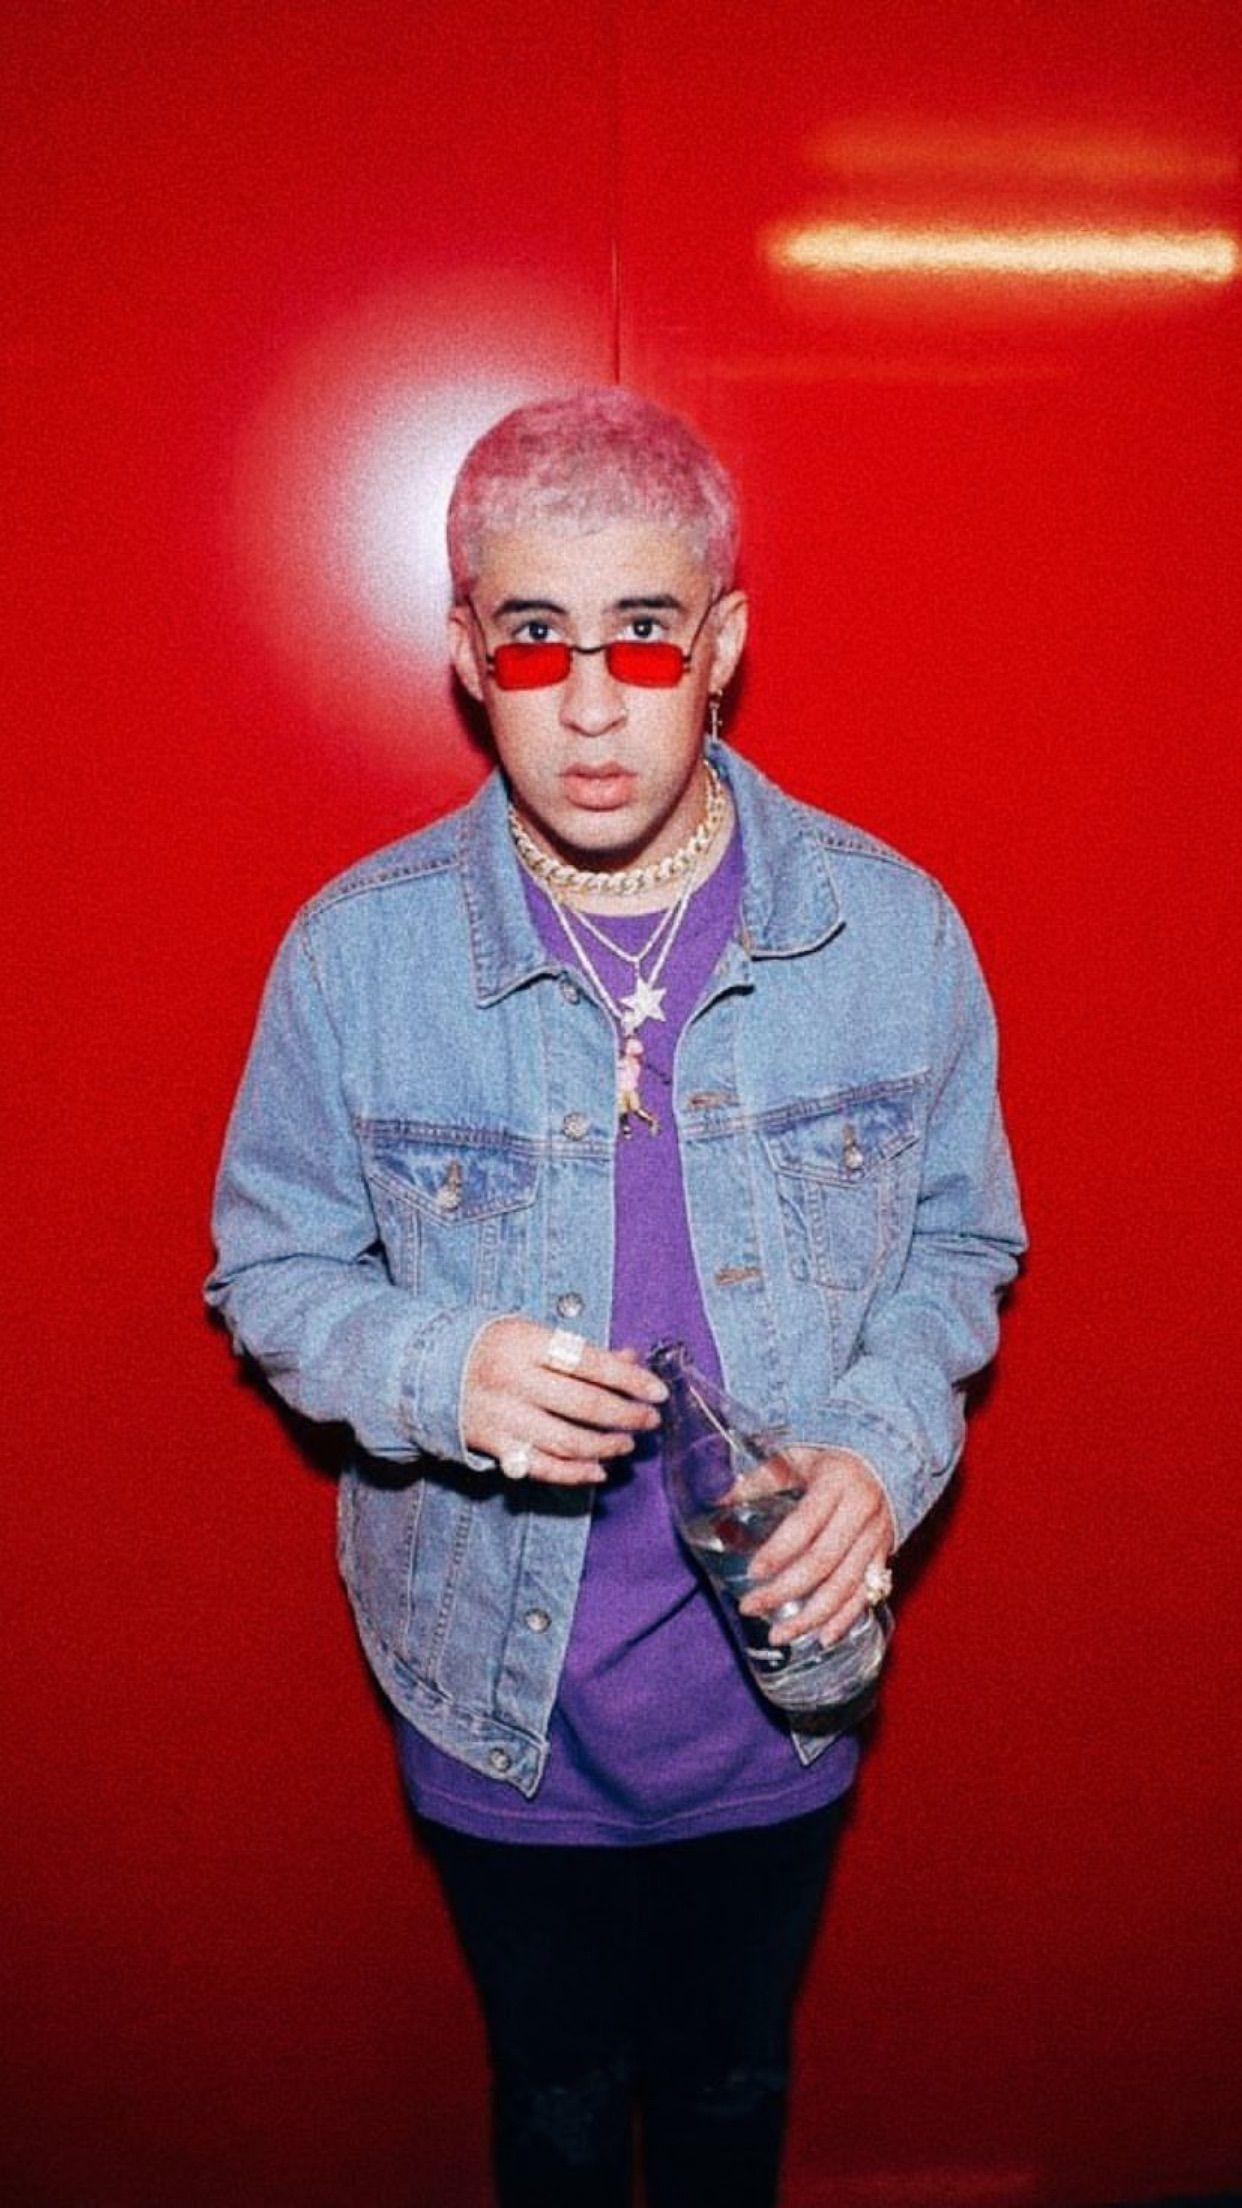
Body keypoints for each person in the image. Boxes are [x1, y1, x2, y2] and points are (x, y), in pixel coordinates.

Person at [206, 387, 1025, 2208]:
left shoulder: (889, 932)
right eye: (535, 639)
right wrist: (433, 1366)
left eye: (643, 635)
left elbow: (962, 1246)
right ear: (464, 654)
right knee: (558, 2113)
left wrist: (879, 1452)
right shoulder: (357, 957)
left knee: (732, 2098)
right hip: (492, 1697)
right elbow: (267, 1263)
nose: (589, 704)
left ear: (720, 645)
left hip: (778, 1692)